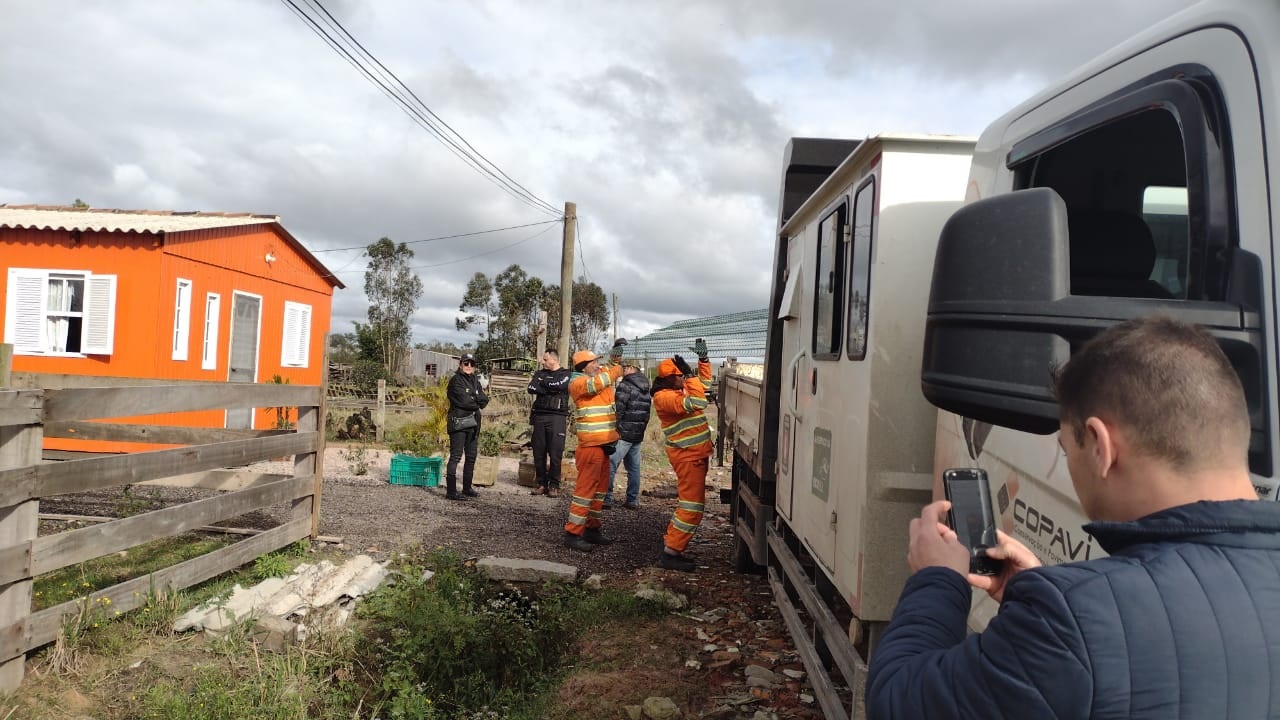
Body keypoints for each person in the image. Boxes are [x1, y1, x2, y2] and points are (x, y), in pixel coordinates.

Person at [866, 316, 1280, 719]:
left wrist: (937, 580)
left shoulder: (1068, 619)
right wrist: (1045, 596)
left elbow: (895, 700)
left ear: (1100, 445)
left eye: (1067, 450)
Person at [650, 338, 713, 572]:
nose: (683, 379)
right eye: (680, 376)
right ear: (671, 378)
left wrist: (703, 360)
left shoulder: (676, 389)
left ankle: (673, 549)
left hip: (693, 455)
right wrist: (690, 375)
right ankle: (671, 552)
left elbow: (703, 384)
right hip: (687, 457)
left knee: (692, 505)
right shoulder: (664, 398)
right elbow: (699, 401)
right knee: (691, 507)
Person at [562, 339, 626, 552]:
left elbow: (609, 368)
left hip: (603, 445)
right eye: (594, 363)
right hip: (590, 446)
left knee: (599, 491)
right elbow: (602, 380)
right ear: (584, 367)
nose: (598, 365)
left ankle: (592, 529)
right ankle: (573, 533)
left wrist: (616, 352)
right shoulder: (578, 383)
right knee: (584, 492)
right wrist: (617, 369)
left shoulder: (595, 375)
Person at [604, 362, 651, 510]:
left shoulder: (625, 385)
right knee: (634, 468)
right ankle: (632, 500)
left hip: (623, 434)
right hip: (637, 433)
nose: (622, 371)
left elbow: (618, 410)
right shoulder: (646, 386)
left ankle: (606, 498)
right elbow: (647, 413)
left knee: (610, 464)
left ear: (631, 368)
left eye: (624, 368)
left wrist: (615, 429)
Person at [527, 349, 572, 498]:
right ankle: (541, 484)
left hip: (557, 417)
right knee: (538, 452)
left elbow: (560, 385)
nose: (542, 362)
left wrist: (543, 383)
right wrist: (549, 387)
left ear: (554, 359)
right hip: (540, 416)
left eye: (545, 359)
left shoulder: (565, 374)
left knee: (555, 452)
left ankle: (554, 485)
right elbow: (531, 388)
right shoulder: (539, 373)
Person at [444, 353, 489, 501]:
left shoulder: (475, 380)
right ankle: (451, 491)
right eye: (466, 363)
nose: (469, 366)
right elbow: (464, 401)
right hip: (459, 423)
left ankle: (467, 488)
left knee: (471, 457)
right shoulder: (455, 381)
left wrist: (474, 397)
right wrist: (475, 399)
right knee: (456, 456)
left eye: (472, 364)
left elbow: (484, 399)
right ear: (460, 364)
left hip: (473, 424)